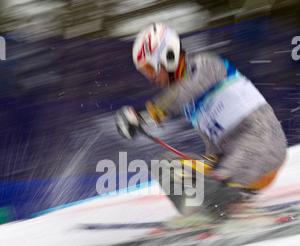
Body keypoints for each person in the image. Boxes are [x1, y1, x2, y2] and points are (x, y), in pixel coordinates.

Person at [116, 22, 287, 222]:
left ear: (168, 55)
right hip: (234, 160)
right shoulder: (189, 106)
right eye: (145, 71)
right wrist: (205, 180)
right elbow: (214, 146)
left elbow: (184, 90)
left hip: (263, 146)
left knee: (217, 179)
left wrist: (148, 115)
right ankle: (196, 215)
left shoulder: (207, 65)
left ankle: (235, 207)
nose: (150, 77)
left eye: (149, 68)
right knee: (164, 165)